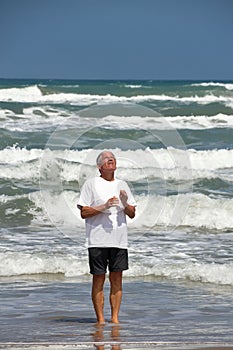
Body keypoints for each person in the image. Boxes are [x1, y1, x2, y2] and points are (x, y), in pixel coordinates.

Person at [77, 150, 136, 324]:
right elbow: (84, 212)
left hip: (119, 240)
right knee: (99, 278)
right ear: (99, 166)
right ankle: (101, 320)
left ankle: (115, 319)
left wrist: (124, 203)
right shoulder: (91, 184)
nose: (111, 160)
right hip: (97, 239)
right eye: (107, 159)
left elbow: (132, 213)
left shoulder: (122, 184)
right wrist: (105, 205)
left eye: (113, 159)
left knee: (117, 279)